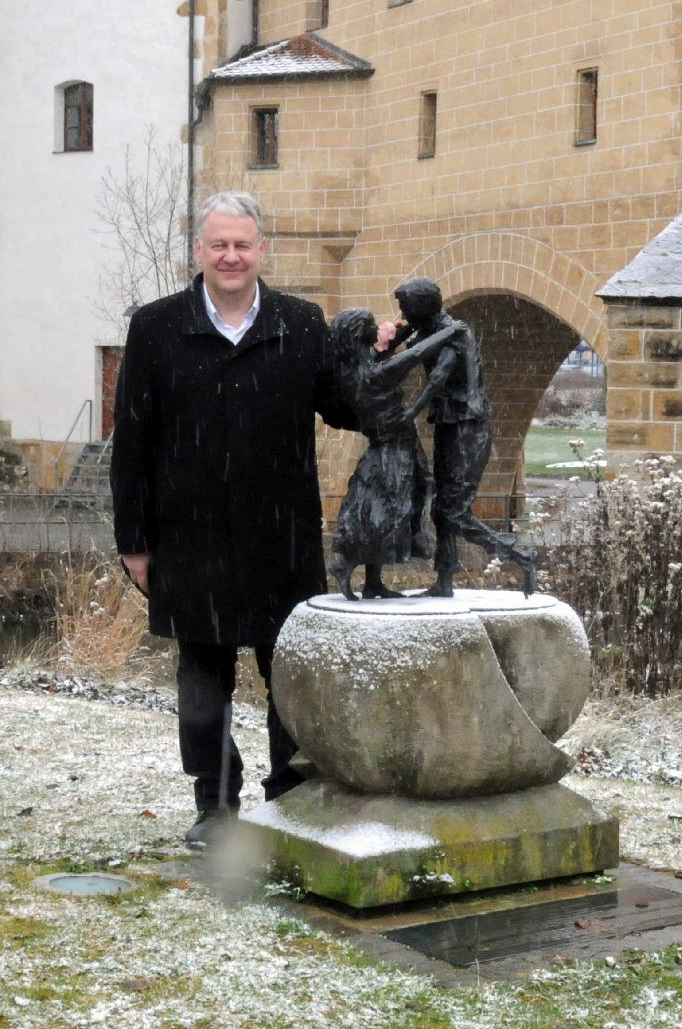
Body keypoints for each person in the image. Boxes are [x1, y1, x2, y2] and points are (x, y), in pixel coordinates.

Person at [111, 191, 356, 847]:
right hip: (190, 539)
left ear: (261, 250)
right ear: (199, 250)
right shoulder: (157, 327)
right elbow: (131, 440)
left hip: (283, 537)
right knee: (203, 685)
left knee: (293, 681)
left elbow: (343, 404)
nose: (230, 256)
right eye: (218, 244)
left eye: (242, 244)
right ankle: (215, 806)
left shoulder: (301, 325)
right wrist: (133, 541)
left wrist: (377, 361)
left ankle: (292, 798)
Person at [391, 278, 537, 596]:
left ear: (422, 307)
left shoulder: (457, 335)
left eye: (406, 307)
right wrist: (398, 333)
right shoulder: (430, 329)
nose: (402, 312)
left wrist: (410, 412)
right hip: (449, 424)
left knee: (454, 511)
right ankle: (444, 579)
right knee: (441, 506)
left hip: (468, 428)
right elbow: (403, 354)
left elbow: (437, 380)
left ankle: (519, 556)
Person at [325, 307, 458, 600]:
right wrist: (450, 332)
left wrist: (413, 325)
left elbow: (396, 348)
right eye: (371, 326)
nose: (377, 330)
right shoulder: (371, 373)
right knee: (389, 509)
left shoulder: (356, 363)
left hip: (399, 443)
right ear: (360, 335)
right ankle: (346, 564)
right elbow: (412, 357)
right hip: (391, 447)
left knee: (397, 501)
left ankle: (373, 581)